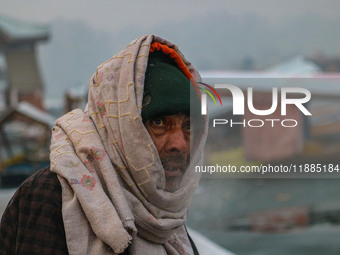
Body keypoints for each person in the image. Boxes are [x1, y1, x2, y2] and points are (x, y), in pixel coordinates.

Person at [0, 35, 207, 255]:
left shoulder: (167, 222)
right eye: (159, 123)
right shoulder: (49, 199)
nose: (180, 144)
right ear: (120, 126)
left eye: (189, 126)